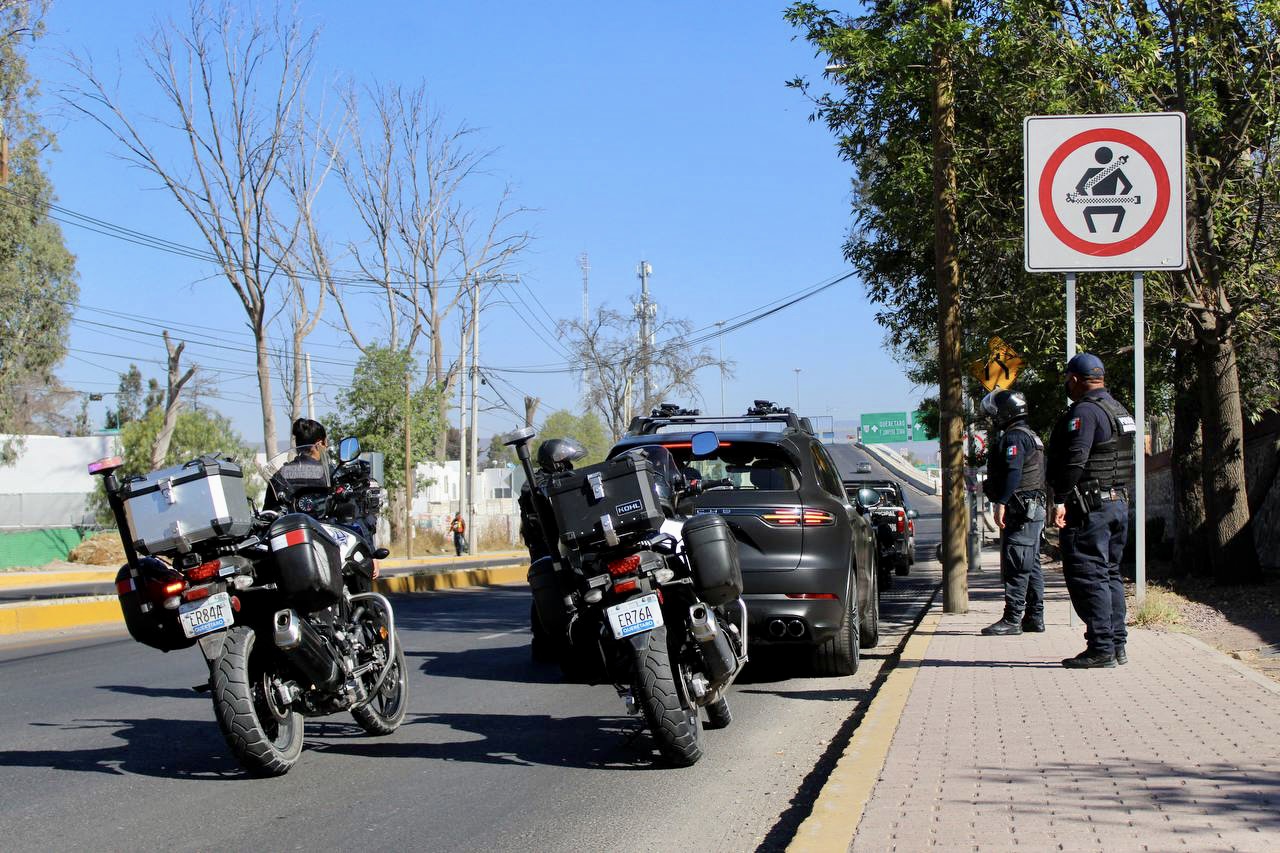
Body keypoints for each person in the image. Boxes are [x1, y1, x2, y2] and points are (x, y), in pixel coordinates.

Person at [1048, 353, 1137, 669]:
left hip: (1090, 507)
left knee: (1089, 574)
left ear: (1074, 379)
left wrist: (1060, 498)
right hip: (1116, 503)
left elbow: (1076, 458)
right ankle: (1116, 645)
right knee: (1110, 572)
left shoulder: (1085, 412)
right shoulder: (1119, 410)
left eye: (1067, 381)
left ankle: (1101, 648)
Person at [979, 390, 1047, 636]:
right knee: (1032, 564)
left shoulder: (1014, 438)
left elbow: (1013, 472)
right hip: (1033, 508)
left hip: (1022, 509)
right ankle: (1034, 617)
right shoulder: (1032, 436)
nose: (992, 418)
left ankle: (1013, 619)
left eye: (994, 413)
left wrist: (1001, 502)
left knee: (1017, 563)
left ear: (1006, 413)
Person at [266, 418, 330, 510]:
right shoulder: (328, 474)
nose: (326, 447)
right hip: (321, 523)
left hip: (288, 524)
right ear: (318, 444)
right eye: (325, 444)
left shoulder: (279, 475)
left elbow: (268, 514)